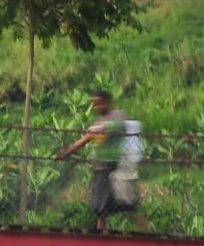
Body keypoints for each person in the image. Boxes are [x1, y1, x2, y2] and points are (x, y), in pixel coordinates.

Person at [55, 90, 151, 232]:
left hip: (117, 168)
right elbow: (86, 139)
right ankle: (100, 234)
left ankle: (148, 230)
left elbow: (121, 126)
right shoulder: (98, 123)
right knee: (101, 207)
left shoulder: (118, 116)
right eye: (95, 105)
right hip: (101, 168)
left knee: (126, 205)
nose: (97, 107)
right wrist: (66, 153)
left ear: (108, 102)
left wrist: (102, 129)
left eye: (99, 104)